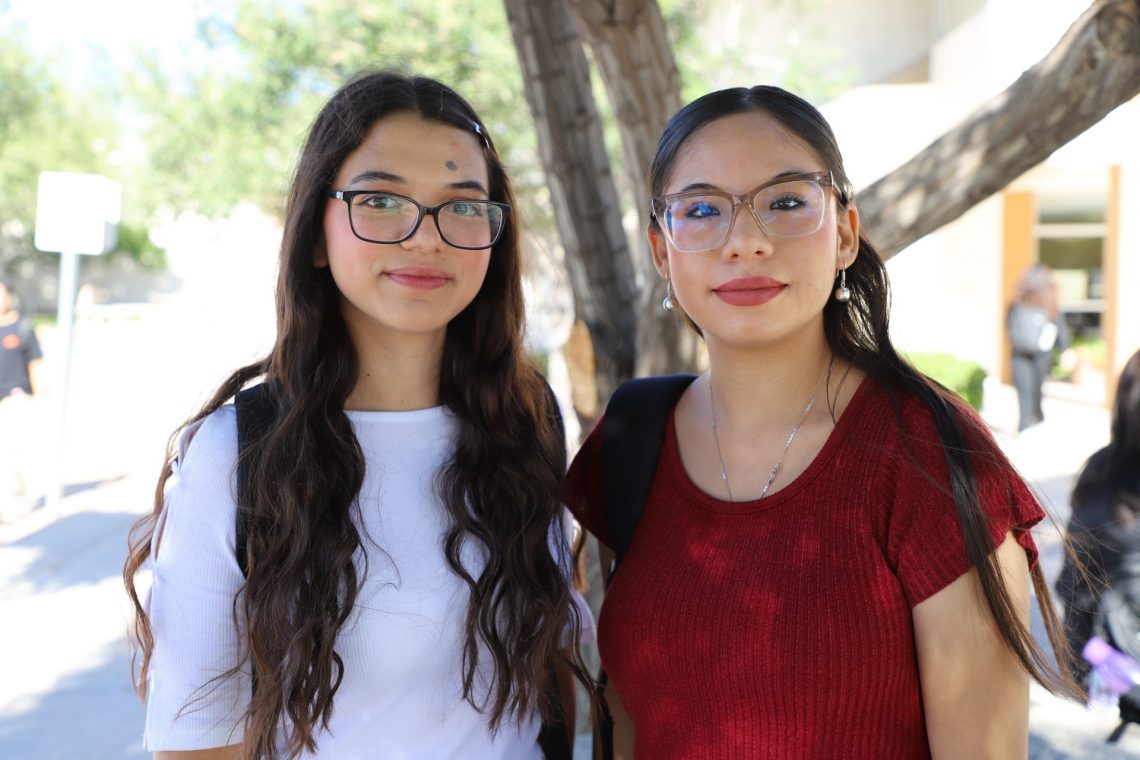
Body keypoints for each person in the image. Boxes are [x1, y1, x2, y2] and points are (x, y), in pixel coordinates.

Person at [566, 85, 1081, 759]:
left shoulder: (928, 454)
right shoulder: (632, 438)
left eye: (786, 202)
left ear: (843, 233)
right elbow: (628, 719)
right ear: (663, 253)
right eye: (701, 209)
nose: (745, 242)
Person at [123, 71, 592, 760]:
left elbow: (546, 679)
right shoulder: (238, 453)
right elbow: (197, 743)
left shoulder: (527, 418)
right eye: (380, 200)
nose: (425, 238)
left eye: (463, 206)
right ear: (317, 234)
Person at [1057, 349, 1140, 686]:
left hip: (1119, 669)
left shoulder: (1101, 476)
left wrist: (1080, 665)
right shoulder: (1104, 479)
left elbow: (1074, 585)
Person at [1007, 263, 1070, 432]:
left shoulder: (1018, 300)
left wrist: (1065, 348)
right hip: (1038, 353)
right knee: (1033, 388)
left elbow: (1009, 326)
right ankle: (1028, 422)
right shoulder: (1047, 301)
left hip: (1021, 351)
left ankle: (1028, 422)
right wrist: (1065, 349)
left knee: (1027, 389)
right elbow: (1060, 326)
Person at [0, 278, 44, 515]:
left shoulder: (22, 327)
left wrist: (38, 395)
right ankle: (17, 490)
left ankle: (20, 494)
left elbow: (35, 362)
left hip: (15, 397)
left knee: (12, 448)